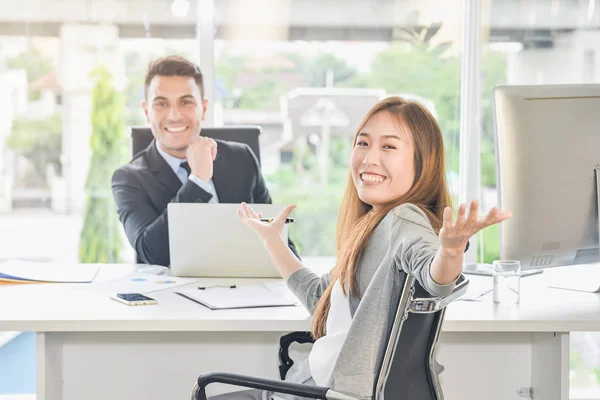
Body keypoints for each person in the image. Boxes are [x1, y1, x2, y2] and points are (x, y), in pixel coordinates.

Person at [210, 97, 512, 399]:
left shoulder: (404, 220)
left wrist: (449, 252)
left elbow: (434, 279)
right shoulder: (375, 224)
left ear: (423, 162)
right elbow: (321, 299)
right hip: (323, 388)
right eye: (363, 143)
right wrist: (273, 241)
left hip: (330, 392)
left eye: (389, 146)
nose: (369, 158)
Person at [112, 56, 298, 266]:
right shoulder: (128, 178)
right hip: (170, 295)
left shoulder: (241, 159)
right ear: (147, 112)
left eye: (186, 102)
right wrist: (198, 180)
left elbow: (276, 238)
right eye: (162, 103)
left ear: (204, 108)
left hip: (245, 289)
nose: (174, 115)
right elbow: (152, 254)